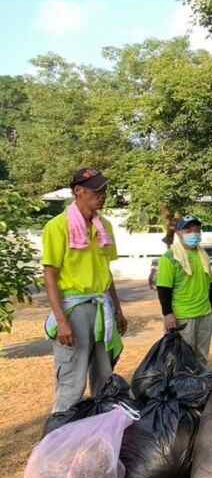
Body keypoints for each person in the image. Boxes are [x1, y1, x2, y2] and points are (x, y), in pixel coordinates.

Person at [41, 168, 128, 413]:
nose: (102, 195)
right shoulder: (57, 226)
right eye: (96, 190)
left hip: (102, 308)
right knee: (72, 381)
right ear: (78, 191)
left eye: (104, 190)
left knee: (104, 378)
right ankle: (59, 441)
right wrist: (62, 321)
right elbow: (50, 275)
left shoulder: (105, 227)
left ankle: (97, 436)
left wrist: (118, 310)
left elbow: (106, 272)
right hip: (74, 309)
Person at [155, 215, 212, 368]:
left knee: (202, 356)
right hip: (183, 317)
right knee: (183, 358)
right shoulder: (170, 258)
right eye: (188, 230)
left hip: (204, 313)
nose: (194, 233)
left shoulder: (202, 255)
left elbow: (209, 283)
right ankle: (183, 389)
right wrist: (167, 314)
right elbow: (163, 288)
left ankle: (199, 387)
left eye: (197, 230)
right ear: (179, 233)